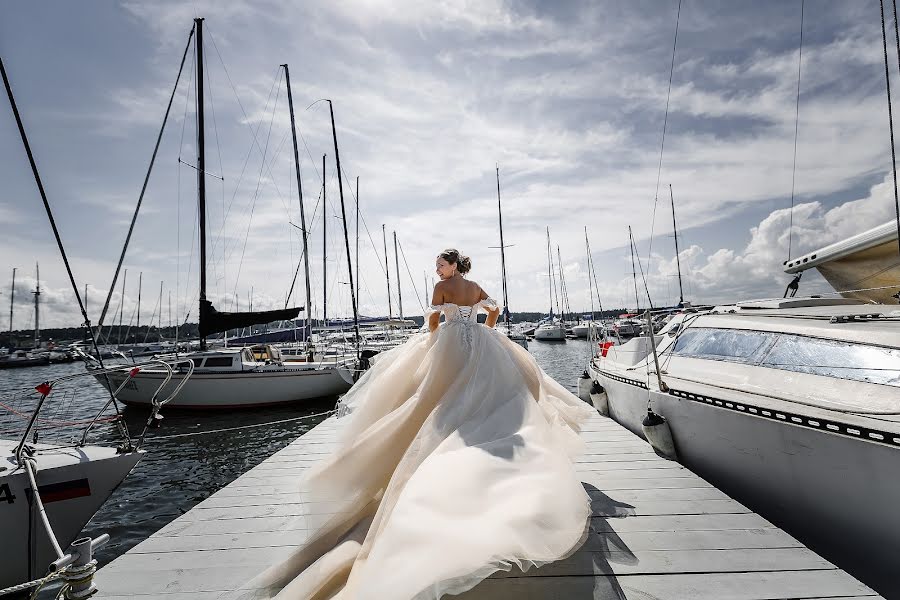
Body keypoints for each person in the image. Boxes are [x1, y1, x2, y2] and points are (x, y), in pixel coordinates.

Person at [236, 248, 595, 600]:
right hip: (482, 340)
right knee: (487, 390)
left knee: (434, 394)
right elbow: (494, 309)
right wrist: (484, 328)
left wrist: (438, 334)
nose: (437, 270)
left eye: (441, 264)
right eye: (437, 265)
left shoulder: (442, 288)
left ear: (453, 266)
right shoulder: (474, 287)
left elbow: (433, 321)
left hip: (452, 341)